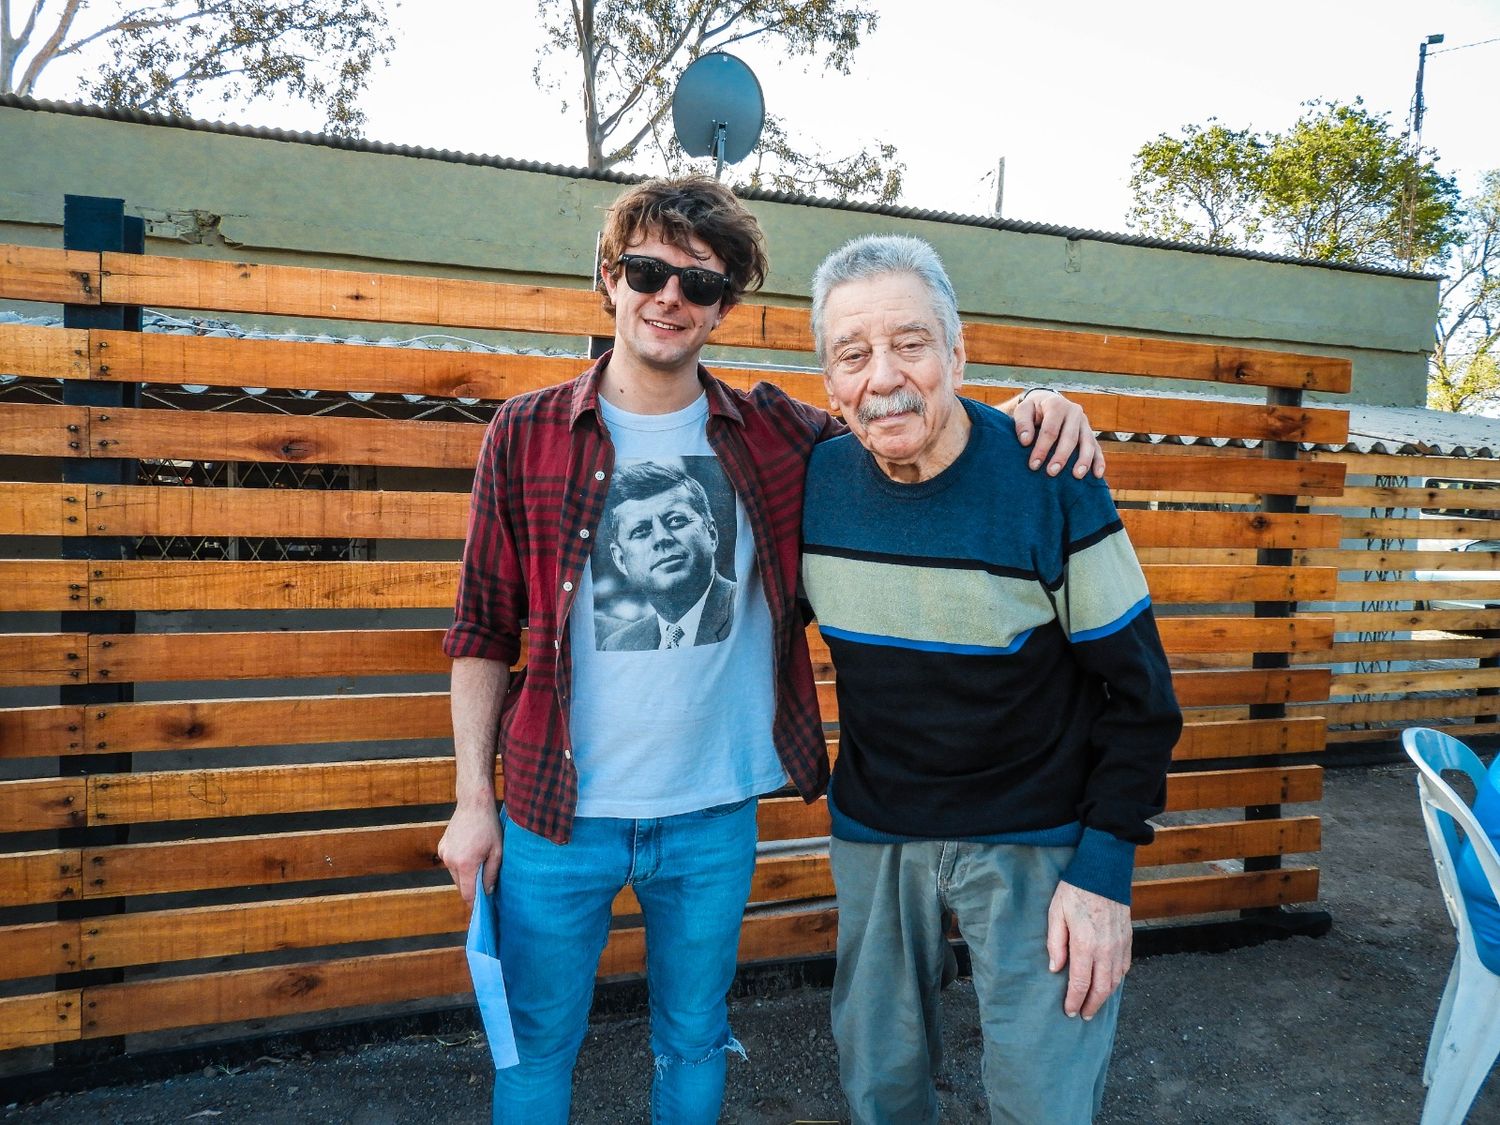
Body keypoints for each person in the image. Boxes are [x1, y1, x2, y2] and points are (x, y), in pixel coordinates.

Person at [437, 176, 1104, 1124]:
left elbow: (903, 412)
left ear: (724, 309)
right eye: (647, 271)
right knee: (536, 1047)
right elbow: (481, 627)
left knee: (695, 1038)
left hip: (712, 813)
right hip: (556, 810)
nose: (669, 296)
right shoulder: (527, 433)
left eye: (699, 284)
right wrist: (472, 800)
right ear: (609, 279)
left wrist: (1037, 405)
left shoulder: (777, 437)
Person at [800, 234, 1183, 1125]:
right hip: (877, 831)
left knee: (1040, 1102)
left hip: (1037, 837)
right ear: (828, 381)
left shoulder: (1049, 476)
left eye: (911, 343)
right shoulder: (813, 484)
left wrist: (1105, 871)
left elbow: (1143, 697)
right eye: (853, 354)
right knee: (878, 1089)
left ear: (958, 354)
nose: (883, 375)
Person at [596, 461, 736, 650]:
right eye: (641, 531)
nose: (661, 538)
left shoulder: (749, 610)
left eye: (676, 520)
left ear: (711, 533)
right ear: (620, 560)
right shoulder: (618, 645)